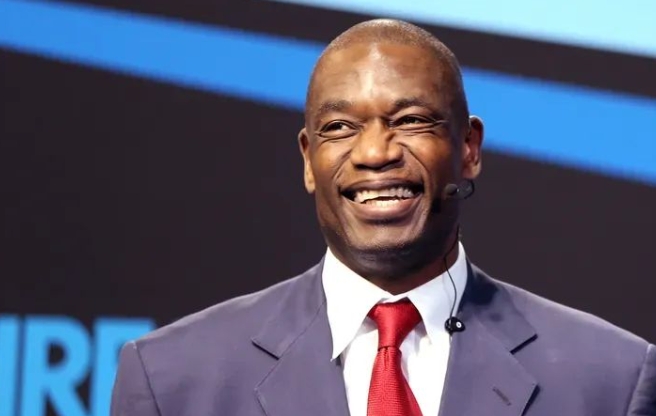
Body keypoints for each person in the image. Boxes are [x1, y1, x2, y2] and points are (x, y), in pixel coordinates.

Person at [110, 19, 656, 415]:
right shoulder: (171, 380)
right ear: (308, 160)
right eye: (339, 128)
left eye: (411, 120)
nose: (374, 153)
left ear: (468, 147)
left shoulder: (611, 380)